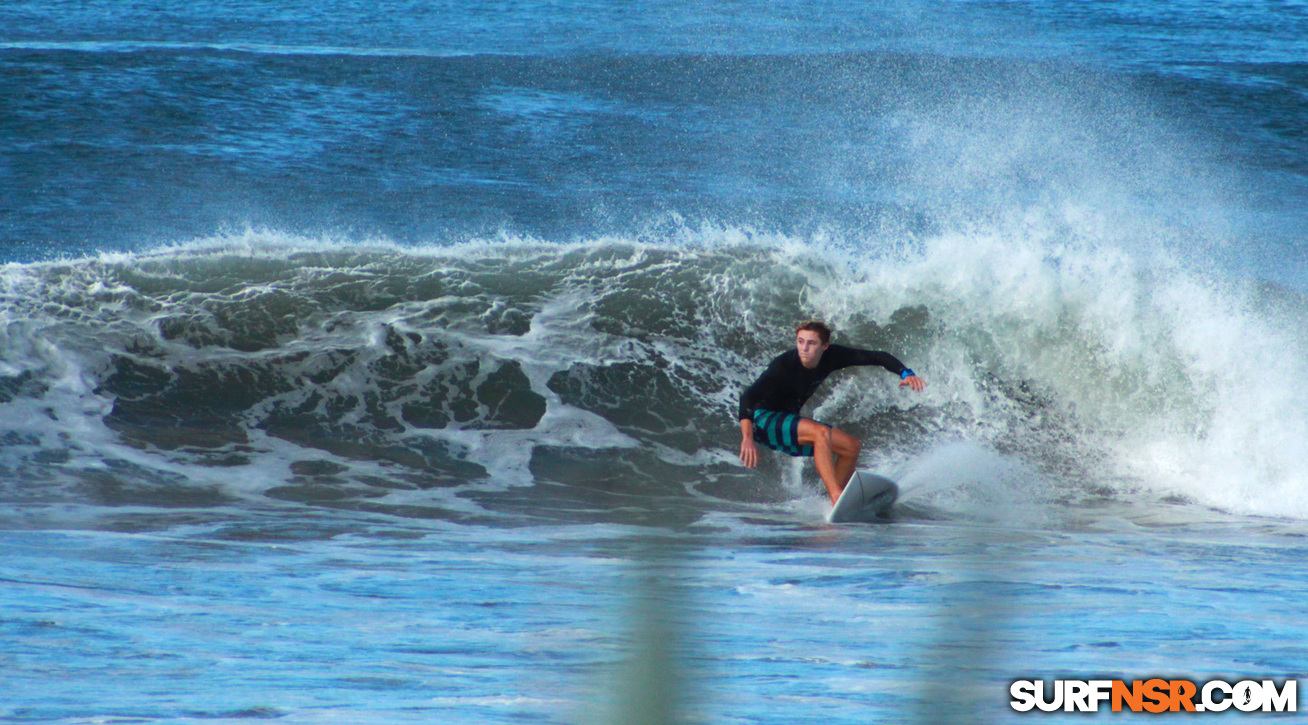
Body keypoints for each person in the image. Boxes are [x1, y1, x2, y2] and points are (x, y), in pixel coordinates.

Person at [738, 320, 926, 504]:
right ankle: (836, 496)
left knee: (851, 446)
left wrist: (906, 373)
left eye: (811, 343)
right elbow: (748, 397)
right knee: (820, 433)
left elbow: (878, 356)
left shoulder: (832, 356)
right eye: (800, 341)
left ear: (825, 346)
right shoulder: (784, 365)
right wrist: (747, 437)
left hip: (789, 419)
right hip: (763, 419)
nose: (804, 348)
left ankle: (832, 503)